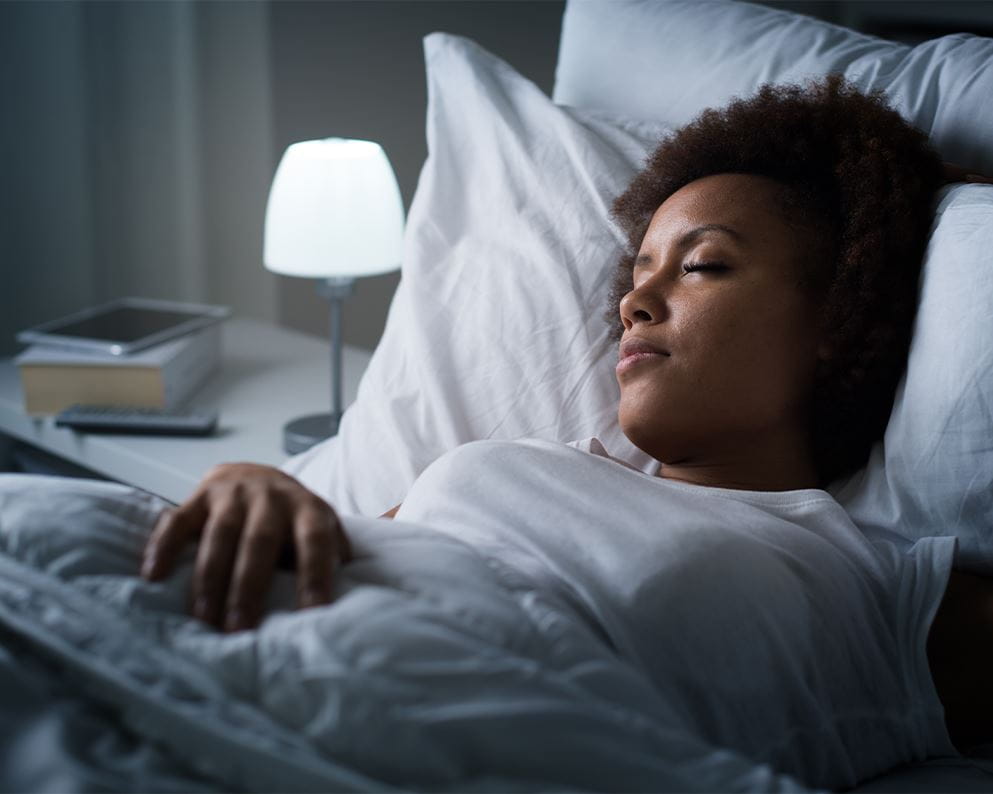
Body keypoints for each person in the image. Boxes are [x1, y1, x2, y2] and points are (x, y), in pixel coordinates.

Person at [141, 75, 993, 754]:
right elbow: (340, 555)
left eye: (700, 267)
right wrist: (258, 487)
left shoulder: (871, 593)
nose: (636, 302)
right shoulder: (522, 463)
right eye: (637, 274)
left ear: (838, 314)